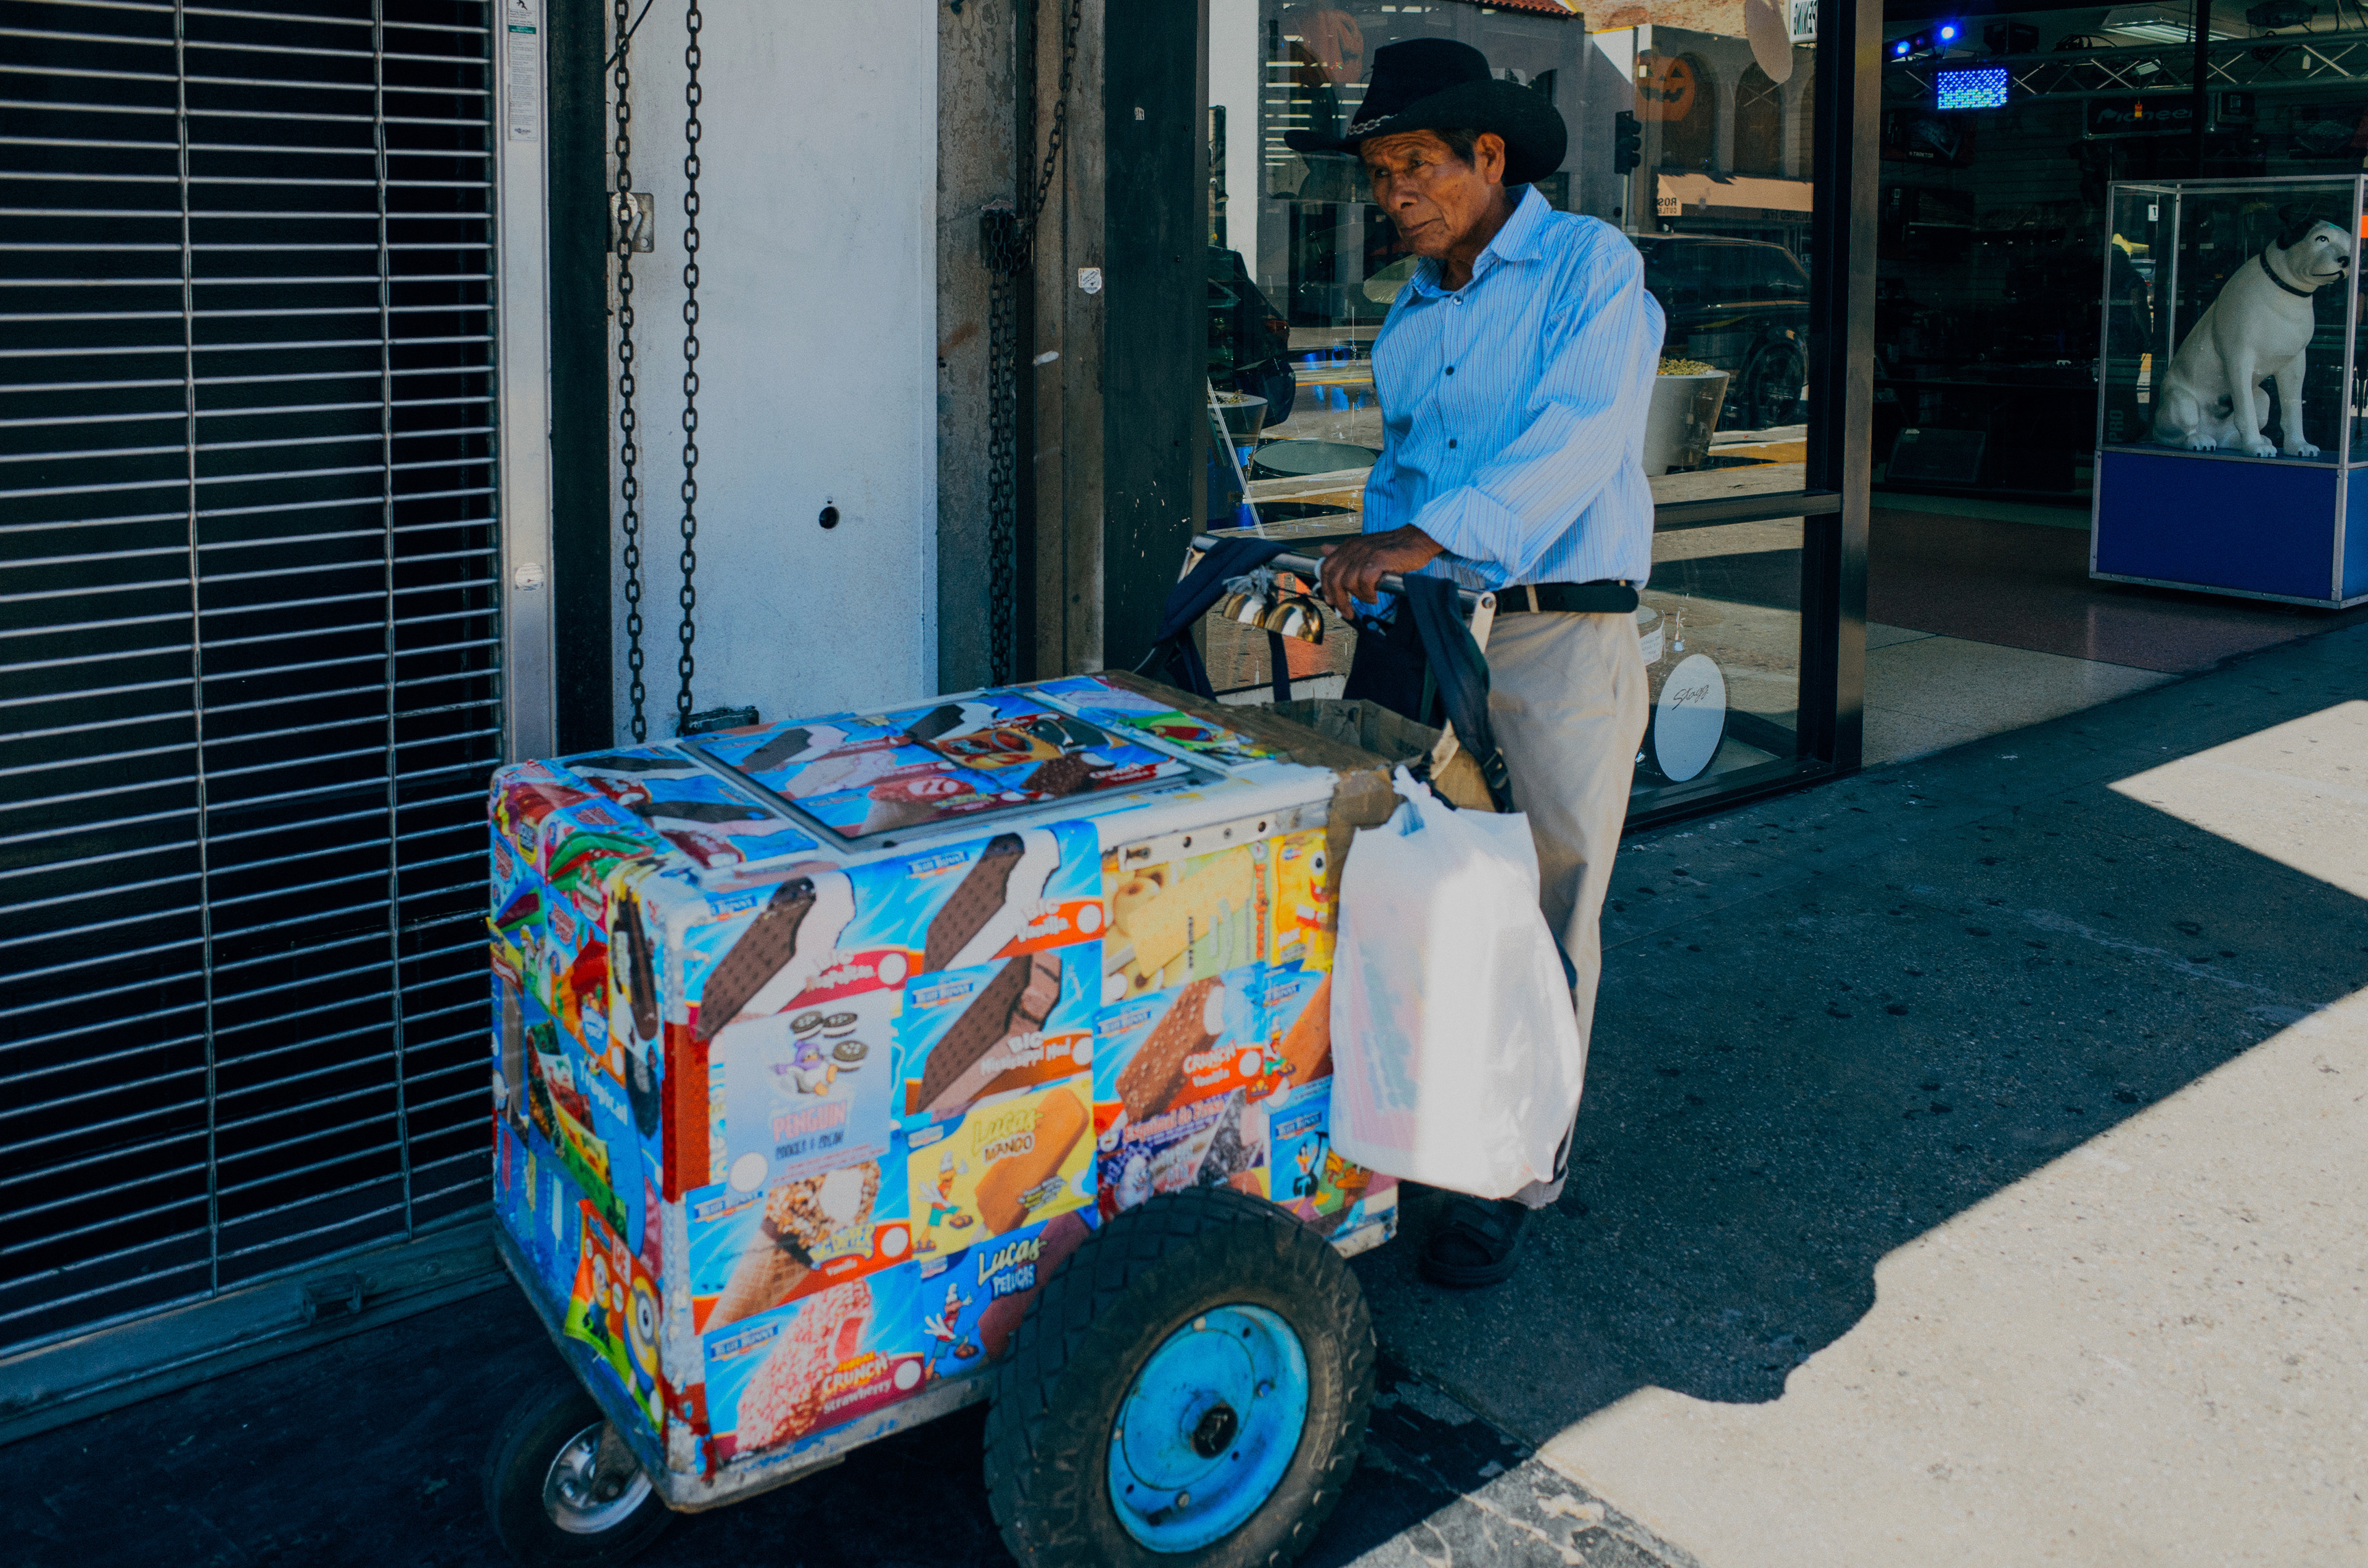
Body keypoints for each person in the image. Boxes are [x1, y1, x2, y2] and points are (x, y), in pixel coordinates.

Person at [1286, 38, 1661, 1289]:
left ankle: (1513, 1170)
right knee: (1409, 885)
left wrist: (1423, 537)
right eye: (1381, 173)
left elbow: (1576, 438)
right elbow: (1406, 468)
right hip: (1438, 627)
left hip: (1561, 630)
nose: (1393, 195)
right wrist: (1367, 564)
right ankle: (1410, 1129)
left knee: (1547, 904)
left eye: (1414, 167)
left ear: (1488, 156)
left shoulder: (1589, 269)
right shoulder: (1414, 312)